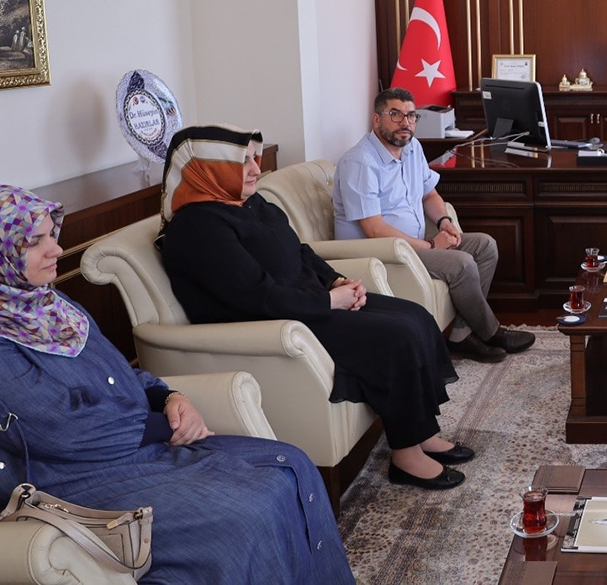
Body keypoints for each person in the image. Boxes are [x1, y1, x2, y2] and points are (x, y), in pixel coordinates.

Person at [0, 184, 354, 582]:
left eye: (51, 235)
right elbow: (65, 432)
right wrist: (167, 426)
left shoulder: (51, 306)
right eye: (34, 242)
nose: (56, 249)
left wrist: (168, 396)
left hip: (138, 449)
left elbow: (120, 372)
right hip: (73, 478)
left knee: (292, 464)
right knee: (250, 511)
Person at [158, 125, 471, 491]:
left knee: (414, 316)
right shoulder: (196, 227)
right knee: (397, 337)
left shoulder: (249, 203)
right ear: (210, 169)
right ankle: (406, 455)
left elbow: (300, 252)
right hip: (276, 321)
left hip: (307, 301)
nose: (256, 169)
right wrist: (329, 301)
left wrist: (335, 281)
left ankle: (423, 432)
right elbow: (255, 296)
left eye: (254, 159)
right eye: (243, 162)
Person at [334, 88, 533, 363]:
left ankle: (461, 336)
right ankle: (491, 332)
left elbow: (429, 195)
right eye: (395, 114)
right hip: (382, 253)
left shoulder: (412, 148)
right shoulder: (359, 162)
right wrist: (430, 245)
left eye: (411, 116)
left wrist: (444, 222)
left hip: (413, 242)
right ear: (376, 119)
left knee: (485, 246)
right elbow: (374, 230)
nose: (405, 122)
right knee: (462, 264)